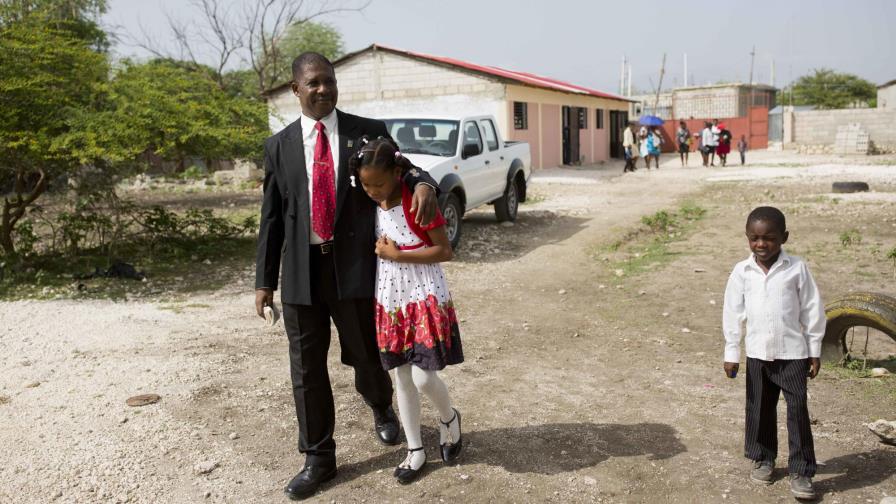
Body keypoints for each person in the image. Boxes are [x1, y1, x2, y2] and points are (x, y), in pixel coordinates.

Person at [253, 52, 440, 500]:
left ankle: (381, 406)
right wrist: (265, 280)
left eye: (330, 82)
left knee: (366, 354)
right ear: (295, 89)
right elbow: (271, 218)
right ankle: (318, 457)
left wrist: (425, 184)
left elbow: (406, 169)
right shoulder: (278, 147)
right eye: (314, 83)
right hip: (302, 272)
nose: (323, 89)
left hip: (355, 266)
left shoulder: (366, 132)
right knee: (306, 369)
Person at [350, 136, 465, 484]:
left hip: (423, 291)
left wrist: (399, 256)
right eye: (366, 184)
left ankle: (449, 418)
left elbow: (445, 251)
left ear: (399, 172)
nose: (371, 190)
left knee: (423, 375)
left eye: (379, 183)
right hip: (390, 295)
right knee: (400, 375)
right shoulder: (372, 198)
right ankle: (415, 449)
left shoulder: (417, 200)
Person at [722, 206, 825, 501]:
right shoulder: (742, 272)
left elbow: (812, 309)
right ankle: (764, 458)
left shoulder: (797, 268)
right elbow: (733, 313)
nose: (761, 244)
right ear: (747, 238)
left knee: (797, 412)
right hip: (757, 355)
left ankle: (802, 470)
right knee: (759, 409)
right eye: (754, 238)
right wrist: (732, 351)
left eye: (769, 238)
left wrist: (814, 350)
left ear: (784, 238)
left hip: (793, 354)